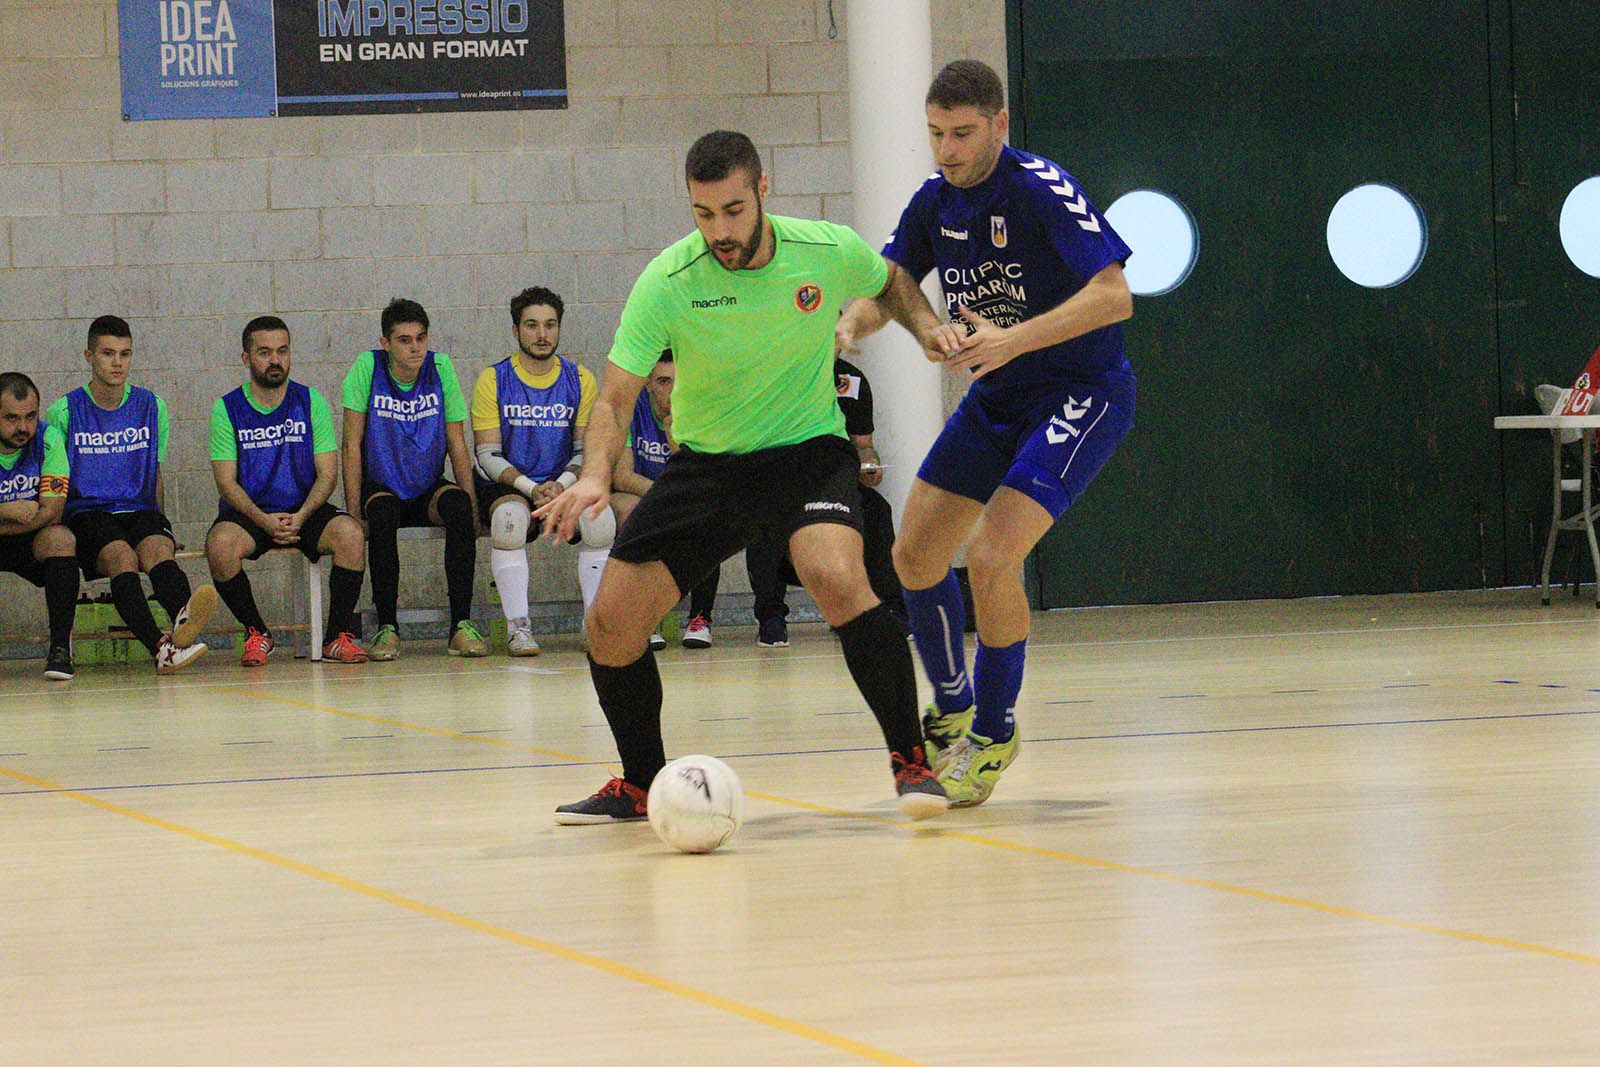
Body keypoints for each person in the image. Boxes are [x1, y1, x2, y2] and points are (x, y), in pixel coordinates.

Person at [537, 130, 959, 824]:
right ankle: (641, 784)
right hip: (708, 465)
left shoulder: (823, 248)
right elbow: (613, 399)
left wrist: (927, 328)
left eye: (733, 210)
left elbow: (891, 282)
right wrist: (593, 475)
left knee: (835, 575)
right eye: (703, 214)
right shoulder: (669, 279)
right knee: (610, 624)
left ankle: (911, 761)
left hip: (806, 452)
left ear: (763, 190)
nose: (720, 232)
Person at [836, 59, 1136, 807]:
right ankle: (955, 707)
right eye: (936, 133)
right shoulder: (933, 201)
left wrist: (1012, 340)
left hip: (1080, 392)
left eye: (963, 133)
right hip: (998, 398)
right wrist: (855, 326)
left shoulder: (1039, 188)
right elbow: (890, 283)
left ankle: (996, 732)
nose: (947, 149)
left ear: (999, 124)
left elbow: (1114, 296)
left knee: (994, 555)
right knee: (913, 554)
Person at [45, 316, 217, 674]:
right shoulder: (64, 411)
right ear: (89, 356)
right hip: (89, 512)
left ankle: (183, 621)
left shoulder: (152, 406)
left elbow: (156, 473)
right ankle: (161, 647)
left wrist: (163, 524)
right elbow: (55, 477)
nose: (117, 363)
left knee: (158, 550)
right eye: (108, 353)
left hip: (139, 508)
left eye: (125, 354)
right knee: (122, 557)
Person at [204, 317, 369, 666]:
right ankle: (257, 632)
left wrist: (302, 516)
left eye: (282, 351)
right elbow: (226, 483)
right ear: (246, 358)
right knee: (219, 546)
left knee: (351, 535)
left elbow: (328, 474)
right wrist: (264, 521)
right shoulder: (227, 408)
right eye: (264, 352)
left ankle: (336, 637)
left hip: (304, 510)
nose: (275, 360)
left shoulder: (310, 401)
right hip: (252, 513)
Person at [471, 287, 613, 657]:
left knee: (601, 521)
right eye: (532, 325)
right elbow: (487, 454)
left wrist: (561, 486)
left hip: (565, 481)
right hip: (511, 483)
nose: (542, 334)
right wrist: (532, 488)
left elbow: (585, 450)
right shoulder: (493, 379)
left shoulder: (580, 379)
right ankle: (519, 629)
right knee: (509, 521)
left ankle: (594, 625)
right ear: (516, 330)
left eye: (550, 325)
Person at [341, 298, 485, 660]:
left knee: (458, 506)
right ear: (385, 343)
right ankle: (387, 627)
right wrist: (354, 511)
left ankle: (461, 625)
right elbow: (351, 444)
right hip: (382, 486)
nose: (415, 347)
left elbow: (457, 442)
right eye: (404, 340)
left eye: (420, 338)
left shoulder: (440, 367)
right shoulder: (367, 368)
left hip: (426, 487)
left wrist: (473, 505)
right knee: (382, 514)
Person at [745, 355, 906, 647]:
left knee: (877, 509)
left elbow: (863, 445)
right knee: (762, 510)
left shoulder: (849, 379)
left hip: (834, 479)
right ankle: (771, 616)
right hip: (781, 475)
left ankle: (891, 604)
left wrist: (870, 464)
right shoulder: (774, 371)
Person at [609, 349, 722, 651]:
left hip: (684, 494)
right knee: (631, 513)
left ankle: (700, 618)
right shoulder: (632, 409)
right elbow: (622, 476)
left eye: (677, 381)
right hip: (644, 494)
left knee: (707, 517)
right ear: (648, 382)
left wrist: (673, 428)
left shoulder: (700, 410)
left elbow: (695, 474)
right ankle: (646, 620)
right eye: (663, 381)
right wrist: (664, 498)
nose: (671, 390)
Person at [0, 372, 80, 680]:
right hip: (20, 525)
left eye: (30, 416)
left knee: (61, 539)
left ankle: (59, 649)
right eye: (11, 418)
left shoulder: (48, 439)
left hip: (30, 538)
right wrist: (6, 509)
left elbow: (52, 511)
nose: (23, 427)